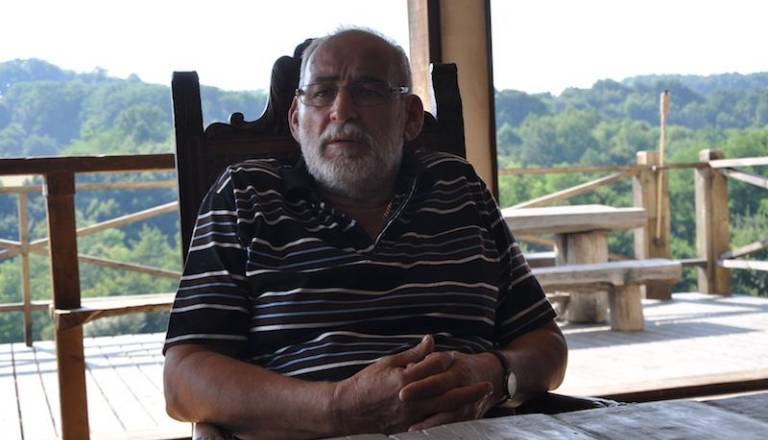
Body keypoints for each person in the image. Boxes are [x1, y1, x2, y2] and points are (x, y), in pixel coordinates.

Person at [163, 28, 567, 439]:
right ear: (296, 119)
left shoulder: (458, 187)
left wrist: (495, 374)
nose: (342, 111)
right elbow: (182, 380)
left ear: (410, 116)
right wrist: (336, 407)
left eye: (368, 91)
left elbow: (547, 345)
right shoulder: (246, 195)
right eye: (322, 93)